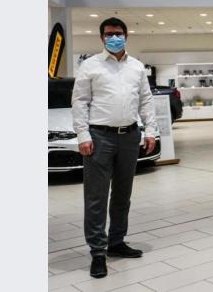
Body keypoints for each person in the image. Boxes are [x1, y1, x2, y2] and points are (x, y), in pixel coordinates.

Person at [71, 17, 158, 279]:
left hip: (130, 136)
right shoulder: (90, 66)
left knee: (122, 193)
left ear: (126, 35)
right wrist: (83, 134)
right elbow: (80, 102)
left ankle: (116, 242)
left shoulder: (136, 67)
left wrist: (151, 130)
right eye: (109, 34)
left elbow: (146, 99)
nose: (114, 37)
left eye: (118, 33)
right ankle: (98, 251)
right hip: (100, 137)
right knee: (96, 196)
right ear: (101, 38)